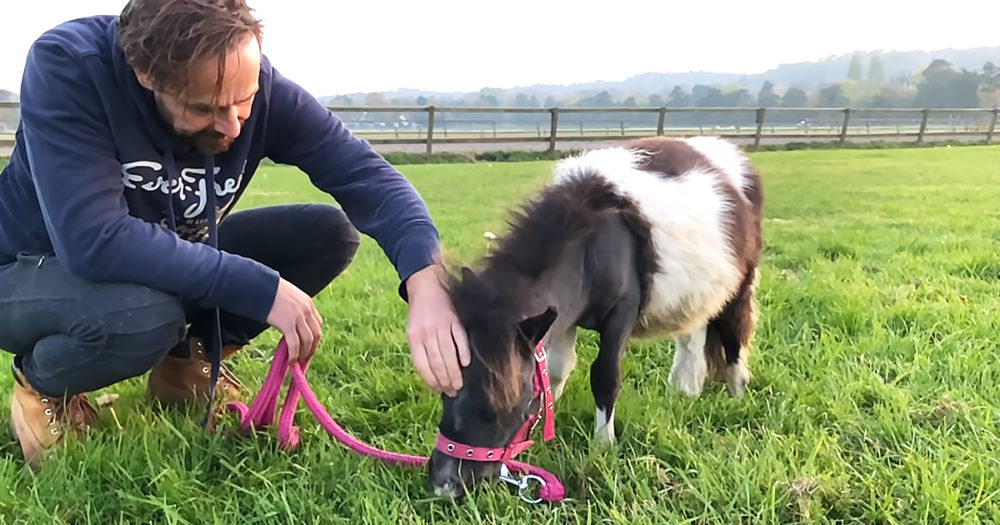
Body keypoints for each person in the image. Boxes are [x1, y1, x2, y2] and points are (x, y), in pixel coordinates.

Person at [0, 0, 470, 470]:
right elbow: (94, 240)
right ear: (144, 72)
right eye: (204, 108)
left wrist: (425, 278)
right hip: (27, 269)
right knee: (144, 315)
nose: (232, 124)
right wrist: (262, 290)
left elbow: (367, 176)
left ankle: (189, 365)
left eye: (243, 101)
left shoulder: (252, 85)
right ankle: (41, 384)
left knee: (325, 235)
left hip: (152, 258)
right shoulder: (69, 67)